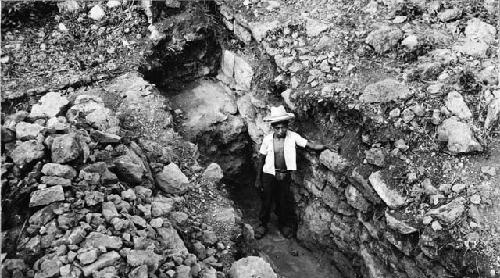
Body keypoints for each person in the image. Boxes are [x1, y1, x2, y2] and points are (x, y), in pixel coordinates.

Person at [254, 105, 327, 239]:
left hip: (284, 174)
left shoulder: (293, 136)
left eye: (283, 127)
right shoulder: (268, 140)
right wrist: (258, 178)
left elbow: (309, 145)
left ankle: (283, 224)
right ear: (273, 127)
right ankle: (262, 224)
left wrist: (325, 147)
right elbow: (262, 158)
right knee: (267, 200)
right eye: (277, 128)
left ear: (287, 125)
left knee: (283, 200)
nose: (281, 130)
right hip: (269, 174)